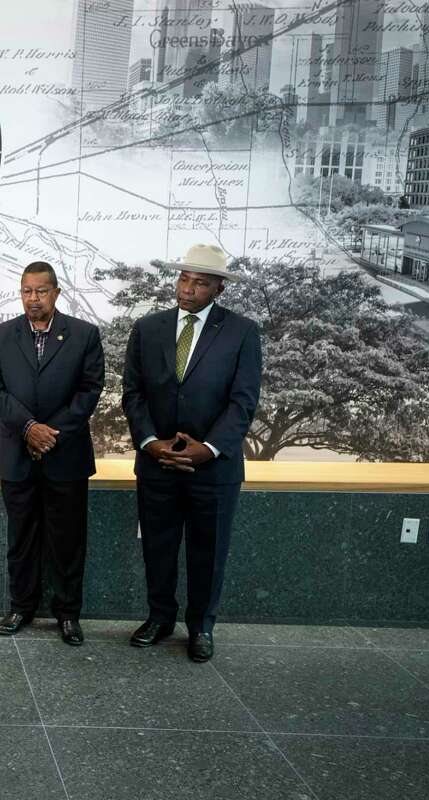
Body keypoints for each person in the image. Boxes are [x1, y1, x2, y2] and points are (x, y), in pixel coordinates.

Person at [121, 243, 262, 662]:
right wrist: (150, 442)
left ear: (219, 288)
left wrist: (210, 448)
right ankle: (160, 618)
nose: (188, 289)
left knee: (209, 550)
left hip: (213, 470)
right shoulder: (148, 328)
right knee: (158, 547)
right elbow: (133, 394)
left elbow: (243, 402)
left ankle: (201, 627)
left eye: (200, 283)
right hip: (158, 464)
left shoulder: (241, 332)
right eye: (184, 279)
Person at [0, 261, 104, 645]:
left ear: (56, 292)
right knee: (21, 538)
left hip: (65, 454)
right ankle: (21, 607)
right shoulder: (0, 336)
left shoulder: (84, 335)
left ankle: (68, 614)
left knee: (68, 540)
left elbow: (90, 389)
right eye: (26, 291)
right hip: (17, 454)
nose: (32, 299)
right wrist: (29, 428)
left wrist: (52, 433)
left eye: (40, 291)